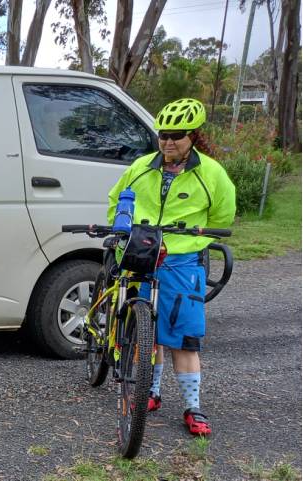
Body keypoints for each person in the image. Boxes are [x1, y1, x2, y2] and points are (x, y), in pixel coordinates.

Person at [106, 98, 236, 436]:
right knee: (146, 335)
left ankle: (193, 406)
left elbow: (222, 216)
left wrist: (196, 239)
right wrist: (122, 230)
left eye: (176, 136)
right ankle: (149, 391)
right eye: (163, 135)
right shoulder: (141, 167)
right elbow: (116, 200)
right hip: (142, 254)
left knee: (183, 338)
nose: (167, 142)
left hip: (182, 260)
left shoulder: (211, 173)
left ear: (194, 136)